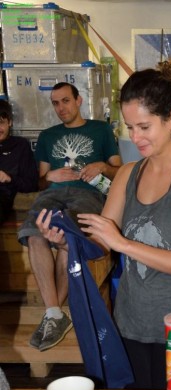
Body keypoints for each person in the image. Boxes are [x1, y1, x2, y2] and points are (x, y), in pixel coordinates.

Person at [36, 63, 171, 389]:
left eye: (144, 127)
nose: (135, 138)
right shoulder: (127, 174)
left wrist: (123, 244)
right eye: (129, 127)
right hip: (130, 324)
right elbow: (101, 244)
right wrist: (66, 242)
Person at [18, 82, 121, 352]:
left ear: (79, 100)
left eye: (65, 101)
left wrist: (102, 166)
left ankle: (55, 314)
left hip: (87, 194)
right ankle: (54, 314)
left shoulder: (101, 129)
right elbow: (39, 181)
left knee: (68, 234)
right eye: (55, 103)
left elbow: (119, 172)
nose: (60, 108)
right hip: (51, 194)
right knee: (33, 232)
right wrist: (49, 176)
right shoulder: (47, 136)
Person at [0, 100, 38, 224]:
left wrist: (9, 178)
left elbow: (31, 184)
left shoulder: (20, 145)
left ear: (9, 122)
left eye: (1, 123)